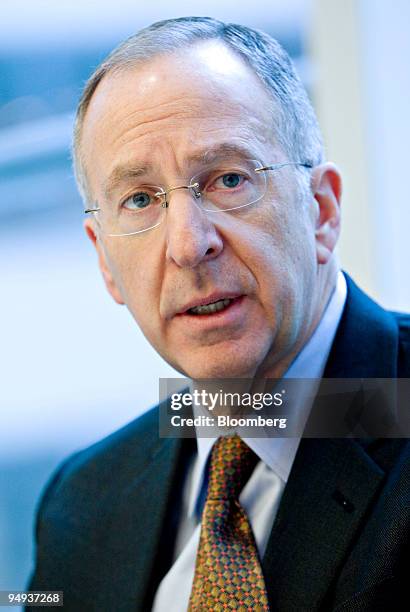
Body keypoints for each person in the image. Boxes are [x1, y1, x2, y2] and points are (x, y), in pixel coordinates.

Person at [27, 16, 409, 612]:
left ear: (323, 211)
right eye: (139, 200)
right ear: (104, 260)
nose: (187, 243)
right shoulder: (81, 505)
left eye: (228, 179)